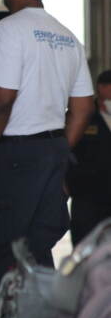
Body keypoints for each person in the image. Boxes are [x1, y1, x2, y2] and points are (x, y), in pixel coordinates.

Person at [0, 0, 94, 304]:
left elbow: (2, 100)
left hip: (10, 154)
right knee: (38, 247)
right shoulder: (67, 37)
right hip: (52, 152)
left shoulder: (10, 30)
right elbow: (83, 108)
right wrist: (56, 149)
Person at [66, 69, 111, 245]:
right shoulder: (83, 116)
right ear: (101, 88)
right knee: (84, 245)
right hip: (86, 195)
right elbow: (67, 149)